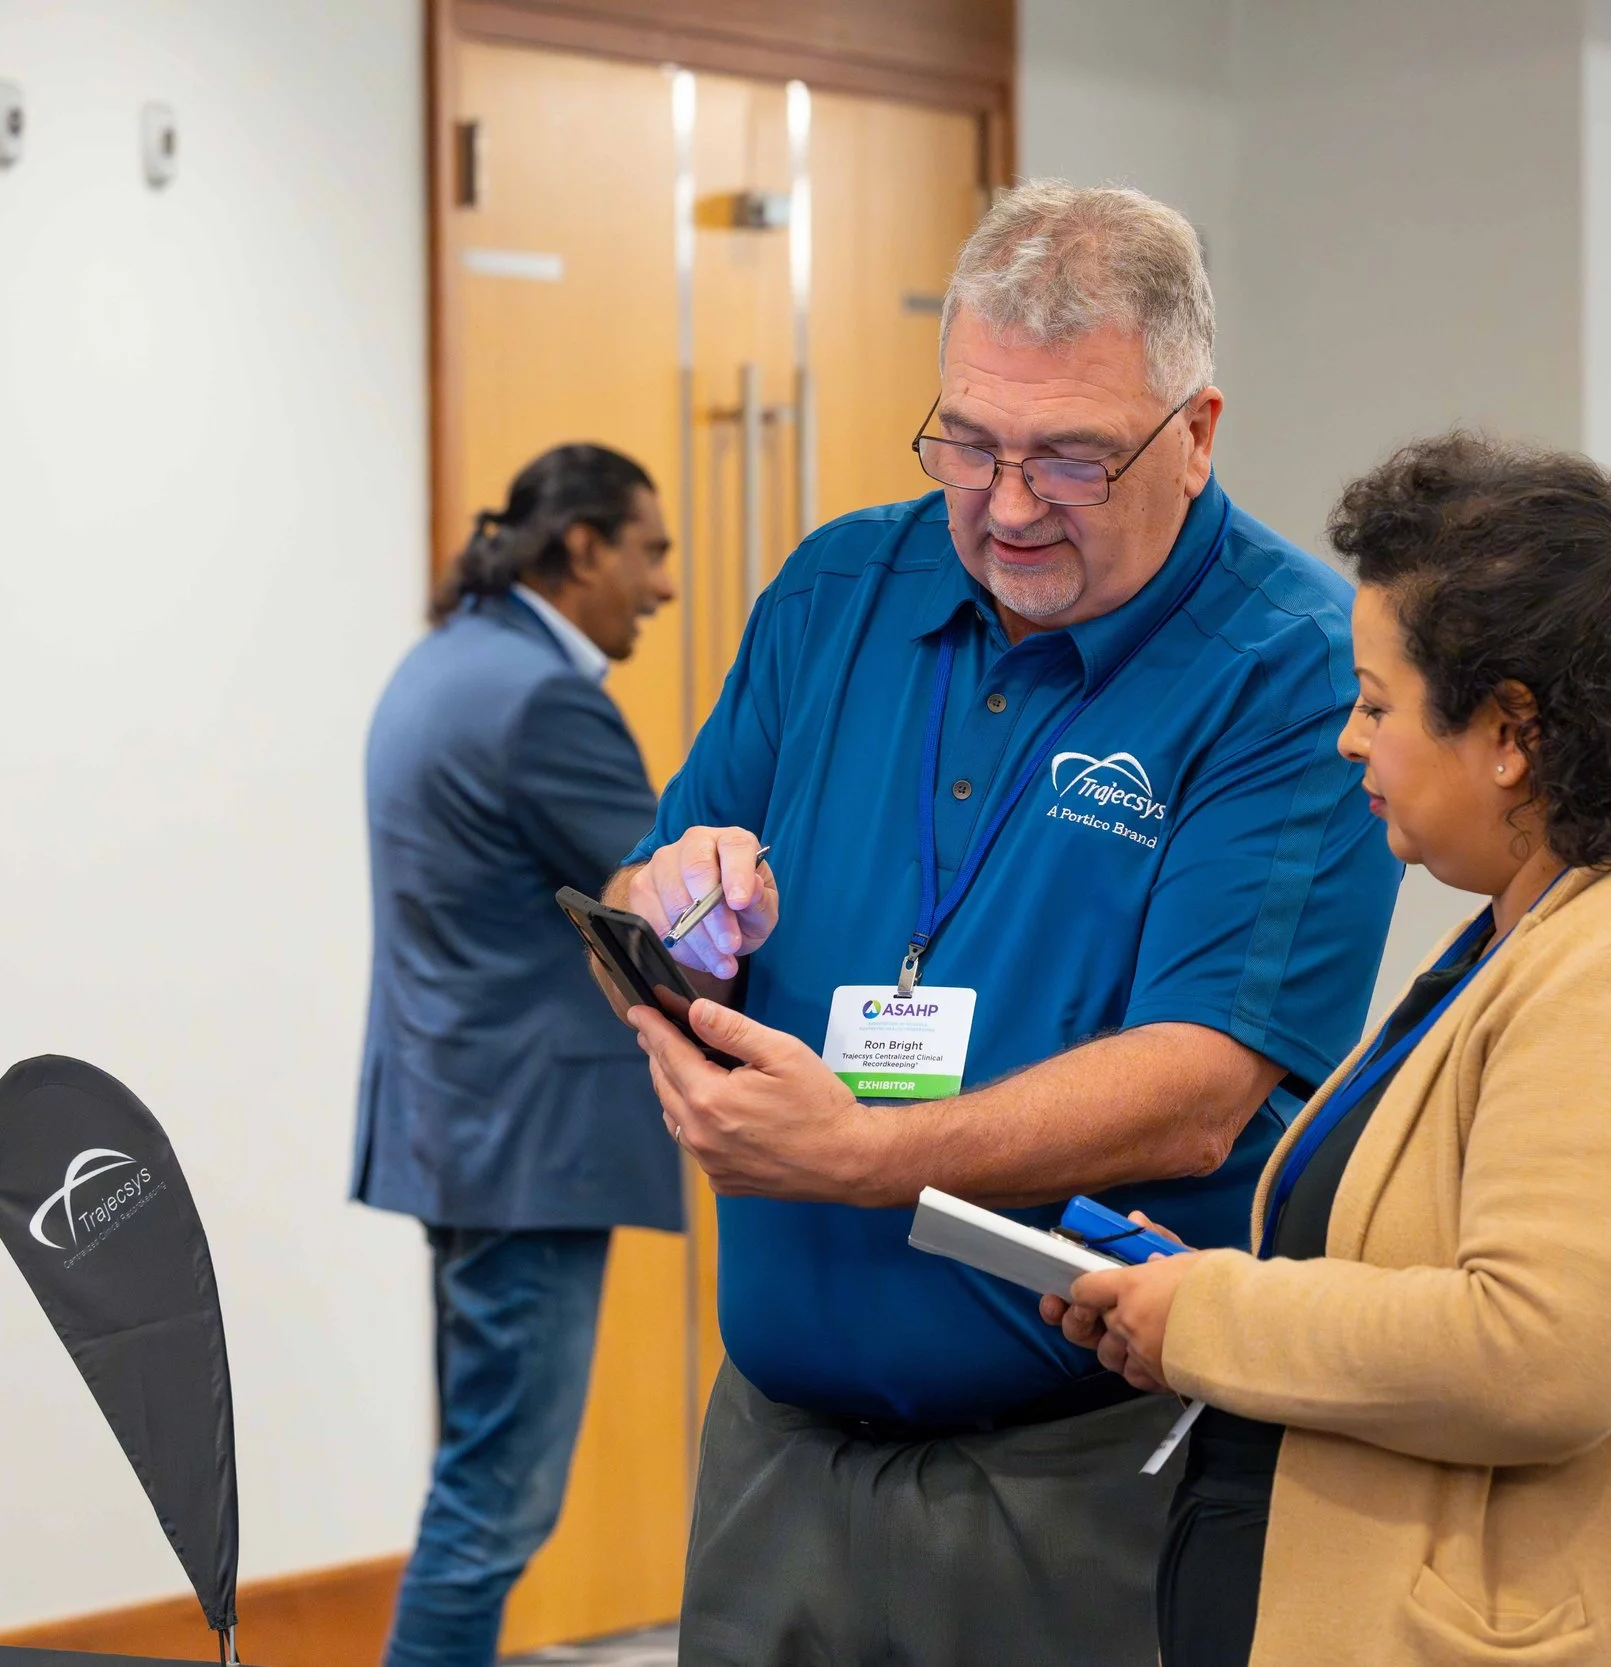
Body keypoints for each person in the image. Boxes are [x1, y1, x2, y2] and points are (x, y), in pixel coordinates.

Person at [609, 183, 1401, 1666]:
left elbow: (1205, 1085)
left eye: (1072, 456)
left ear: (1199, 431)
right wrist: (676, 905)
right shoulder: (843, 584)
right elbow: (658, 880)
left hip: (1081, 1470)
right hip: (777, 1449)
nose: (1010, 501)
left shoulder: (1292, 664)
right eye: (968, 441)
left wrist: (865, 1151)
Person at [1044, 435, 1611, 1665]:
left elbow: (1537, 1355)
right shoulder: (1549, 921)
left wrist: (1211, 1312)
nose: (1348, 742)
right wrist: (1196, 1288)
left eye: (1374, 703)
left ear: (1511, 729)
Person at [354, 443, 679, 1667]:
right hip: (526, 1150)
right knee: (495, 1506)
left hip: (454, 1129)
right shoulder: (542, 698)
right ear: (583, 545)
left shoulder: (442, 663)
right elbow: (668, 913)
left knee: (474, 1484)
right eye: (650, 552)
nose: (662, 586)